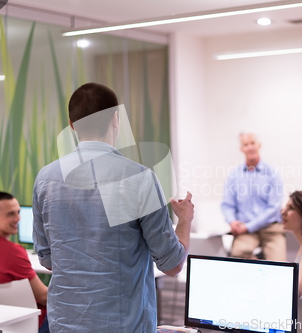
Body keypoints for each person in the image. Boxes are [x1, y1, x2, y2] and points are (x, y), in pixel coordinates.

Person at [33, 82, 194, 332]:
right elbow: (172, 265)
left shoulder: (46, 178)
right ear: (116, 119)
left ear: (72, 124)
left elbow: (48, 259)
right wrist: (184, 220)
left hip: (64, 324)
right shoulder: (138, 178)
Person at [0, 191, 49, 332]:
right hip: (30, 321)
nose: (18, 218)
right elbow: (43, 297)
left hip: (0, 321)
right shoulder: (13, 251)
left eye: (18, 212)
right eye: (11, 214)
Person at [221, 132, 286, 260]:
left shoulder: (273, 174)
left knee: (280, 265)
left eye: (252, 143)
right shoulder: (233, 175)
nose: (250, 147)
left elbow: (274, 208)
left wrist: (248, 226)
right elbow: (227, 204)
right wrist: (232, 221)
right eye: (246, 144)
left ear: (259, 145)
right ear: (241, 149)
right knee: (238, 254)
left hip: (270, 229)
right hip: (245, 230)